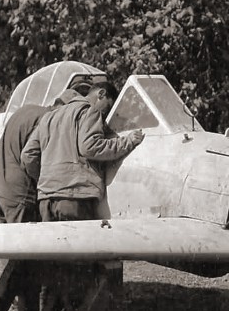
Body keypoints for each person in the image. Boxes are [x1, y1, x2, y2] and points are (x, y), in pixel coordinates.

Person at [21, 81, 144, 223]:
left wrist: (47, 179)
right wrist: (128, 142)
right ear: (101, 94)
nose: (106, 114)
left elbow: (27, 155)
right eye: (108, 106)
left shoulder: (48, 118)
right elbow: (90, 147)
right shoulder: (90, 111)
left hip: (46, 201)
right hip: (75, 197)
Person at [0, 89, 79, 223]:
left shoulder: (26, 110)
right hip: (18, 193)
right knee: (23, 236)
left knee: (5, 236)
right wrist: (42, 182)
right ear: (65, 108)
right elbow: (29, 157)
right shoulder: (46, 120)